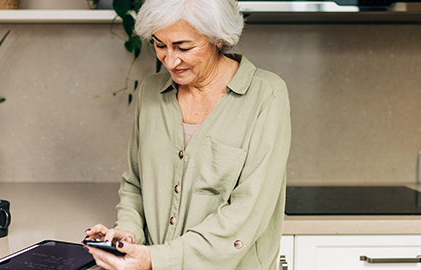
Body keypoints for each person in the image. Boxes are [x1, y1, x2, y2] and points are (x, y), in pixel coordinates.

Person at [84, 0, 291, 269]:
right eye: (160, 45)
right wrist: (128, 232)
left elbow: (247, 213)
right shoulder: (151, 93)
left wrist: (156, 259)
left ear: (218, 38)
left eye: (183, 47)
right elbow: (135, 184)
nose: (170, 60)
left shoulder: (266, 95)